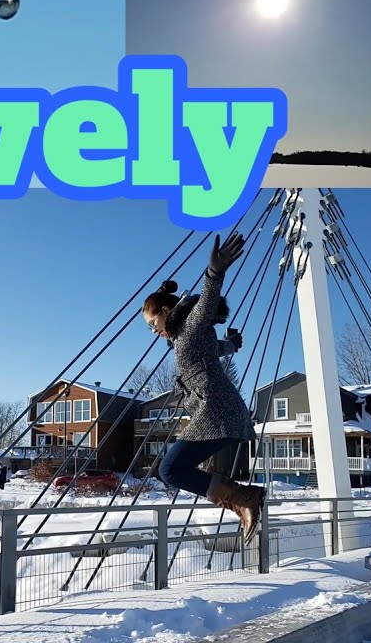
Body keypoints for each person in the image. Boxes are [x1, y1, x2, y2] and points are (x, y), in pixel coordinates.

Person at [144, 233, 263, 544]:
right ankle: (242, 498)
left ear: (167, 312)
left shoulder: (189, 328)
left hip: (217, 411)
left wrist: (215, 272)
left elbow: (205, 307)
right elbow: (207, 351)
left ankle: (243, 498)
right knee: (173, 468)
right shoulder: (185, 339)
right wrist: (230, 345)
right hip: (221, 410)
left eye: (152, 322)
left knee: (170, 468)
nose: (152, 330)